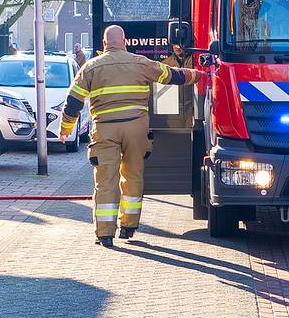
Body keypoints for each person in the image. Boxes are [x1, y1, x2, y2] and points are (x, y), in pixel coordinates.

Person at [59, 25, 201, 247]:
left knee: (106, 180)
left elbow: (73, 102)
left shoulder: (91, 67)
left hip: (105, 129)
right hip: (136, 129)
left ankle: (105, 234)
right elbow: (172, 75)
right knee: (133, 175)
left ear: (105, 44)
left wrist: (66, 129)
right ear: (124, 42)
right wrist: (199, 75)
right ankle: (128, 227)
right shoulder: (141, 63)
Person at [161, 43, 197, 129]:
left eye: (180, 44)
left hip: (192, 106)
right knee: (173, 132)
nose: (177, 47)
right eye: (175, 44)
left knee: (192, 132)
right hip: (173, 108)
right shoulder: (165, 64)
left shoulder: (195, 61)